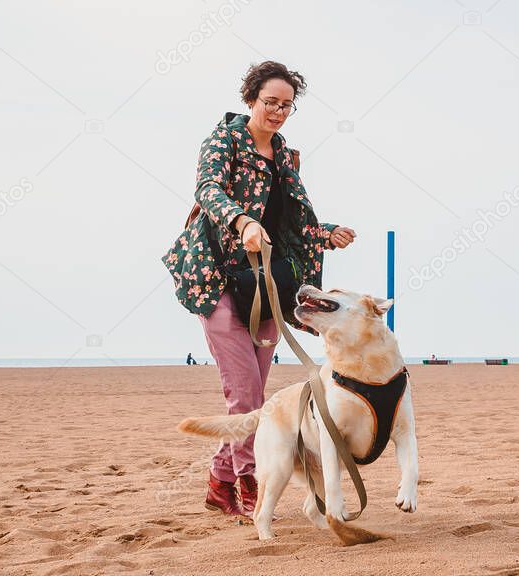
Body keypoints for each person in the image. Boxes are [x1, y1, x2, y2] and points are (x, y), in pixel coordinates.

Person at [162, 61, 355, 517]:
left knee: (253, 393)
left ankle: (220, 481)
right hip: (217, 278)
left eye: (286, 105)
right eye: (270, 102)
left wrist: (326, 233)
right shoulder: (223, 141)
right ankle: (249, 480)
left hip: (266, 284)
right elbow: (208, 190)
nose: (278, 112)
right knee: (246, 394)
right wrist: (242, 220)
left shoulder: (286, 156)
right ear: (251, 98)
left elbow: (290, 222)